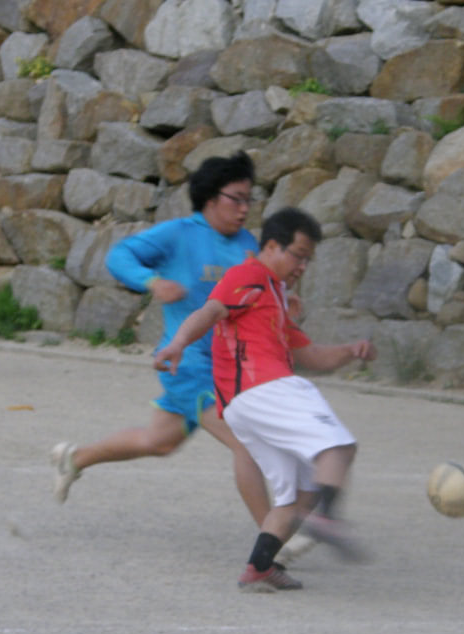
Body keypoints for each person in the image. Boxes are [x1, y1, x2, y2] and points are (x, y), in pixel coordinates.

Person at [154, 208, 377, 593]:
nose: (303, 266)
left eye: (308, 259)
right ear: (272, 246)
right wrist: (177, 342)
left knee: (292, 495)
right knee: (337, 447)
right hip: (265, 388)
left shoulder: (273, 296)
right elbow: (210, 309)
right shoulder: (249, 275)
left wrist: (351, 350)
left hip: (244, 402)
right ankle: (328, 520)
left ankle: (259, 567)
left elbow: (310, 356)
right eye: (298, 255)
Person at [49, 152, 271, 531]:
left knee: (159, 442)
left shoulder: (248, 242)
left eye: (249, 199)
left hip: (230, 367)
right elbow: (121, 255)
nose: (244, 208)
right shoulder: (179, 233)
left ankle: (75, 458)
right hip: (186, 365)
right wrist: (152, 282)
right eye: (236, 198)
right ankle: (275, 538)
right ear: (211, 198)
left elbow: (257, 291)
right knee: (246, 443)